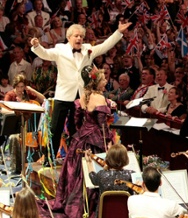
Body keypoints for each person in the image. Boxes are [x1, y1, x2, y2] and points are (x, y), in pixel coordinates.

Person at [30, 21, 131, 165]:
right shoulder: (60, 49)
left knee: (76, 129)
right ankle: (49, 159)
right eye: (76, 36)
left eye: (81, 36)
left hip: (81, 96)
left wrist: (119, 32)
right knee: (55, 129)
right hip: (63, 95)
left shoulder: (87, 49)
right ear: (69, 37)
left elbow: (104, 46)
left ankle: (73, 158)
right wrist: (36, 46)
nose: (79, 39)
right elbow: (45, 54)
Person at [49, 66, 116, 218]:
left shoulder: (83, 96)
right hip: (95, 140)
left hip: (81, 138)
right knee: (93, 172)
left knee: (76, 173)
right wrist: (109, 143)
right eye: (103, 78)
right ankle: (91, 208)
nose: (106, 80)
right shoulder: (99, 99)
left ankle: (72, 205)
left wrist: (83, 134)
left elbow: (77, 122)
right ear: (97, 81)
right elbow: (103, 126)